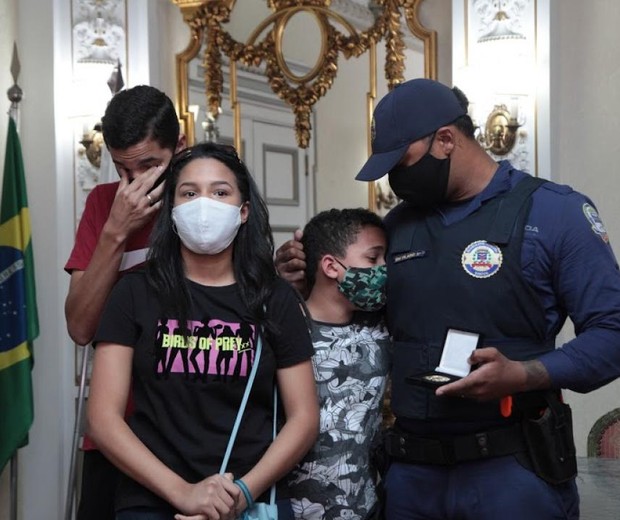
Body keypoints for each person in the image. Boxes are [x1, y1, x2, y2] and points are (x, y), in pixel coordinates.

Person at [277, 78, 620, 519]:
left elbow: (612, 332)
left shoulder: (554, 213)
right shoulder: (397, 227)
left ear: (445, 140)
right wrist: (298, 280)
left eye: (402, 162)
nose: (394, 178)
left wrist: (524, 374)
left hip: (512, 471)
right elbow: (348, 315)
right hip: (411, 478)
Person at [86, 142, 320, 519]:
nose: (204, 203)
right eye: (190, 193)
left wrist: (240, 494)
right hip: (151, 499)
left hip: (249, 500)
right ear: (173, 211)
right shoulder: (133, 293)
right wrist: (183, 493)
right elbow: (102, 419)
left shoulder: (273, 298)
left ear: (243, 212)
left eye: (221, 192)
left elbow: (304, 418)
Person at [64, 85, 186, 520]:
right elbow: (79, 327)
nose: (136, 182)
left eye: (150, 165)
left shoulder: (206, 201)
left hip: (191, 430)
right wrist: (116, 232)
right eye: (123, 169)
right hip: (116, 431)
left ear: (180, 147)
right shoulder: (104, 203)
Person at [288, 208, 391, 520]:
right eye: (373, 260)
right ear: (331, 266)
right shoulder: (286, 329)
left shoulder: (380, 329)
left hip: (366, 507)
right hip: (290, 508)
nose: (384, 270)